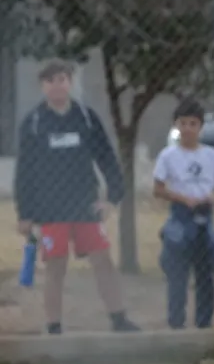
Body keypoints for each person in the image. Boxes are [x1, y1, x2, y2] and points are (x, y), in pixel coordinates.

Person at [13, 59, 139, 334]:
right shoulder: (34, 123)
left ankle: (119, 319)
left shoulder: (85, 117)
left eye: (62, 79)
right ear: (42, 86)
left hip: (85, 204)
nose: (57, 85)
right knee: (55, 268)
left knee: (103, 262)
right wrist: (24, 213)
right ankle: (54, 326)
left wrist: (112, 197)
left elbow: (106, 157)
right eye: (51, 81)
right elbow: (24, 171)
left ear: (70, 82)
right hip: (50, 209)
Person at [152, 99, 214, 329]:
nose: (188, 129)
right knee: (178, 276)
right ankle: (176, 323)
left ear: (200, 127)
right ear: (176, 125)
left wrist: (211, 198)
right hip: (181, 216)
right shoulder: (168, 155)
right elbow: (158, 188)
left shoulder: (212, 155)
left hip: (205, 215)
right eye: (183, 123)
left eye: (193, 124)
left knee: (206, 276)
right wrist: (183, 199)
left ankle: (204, 323)